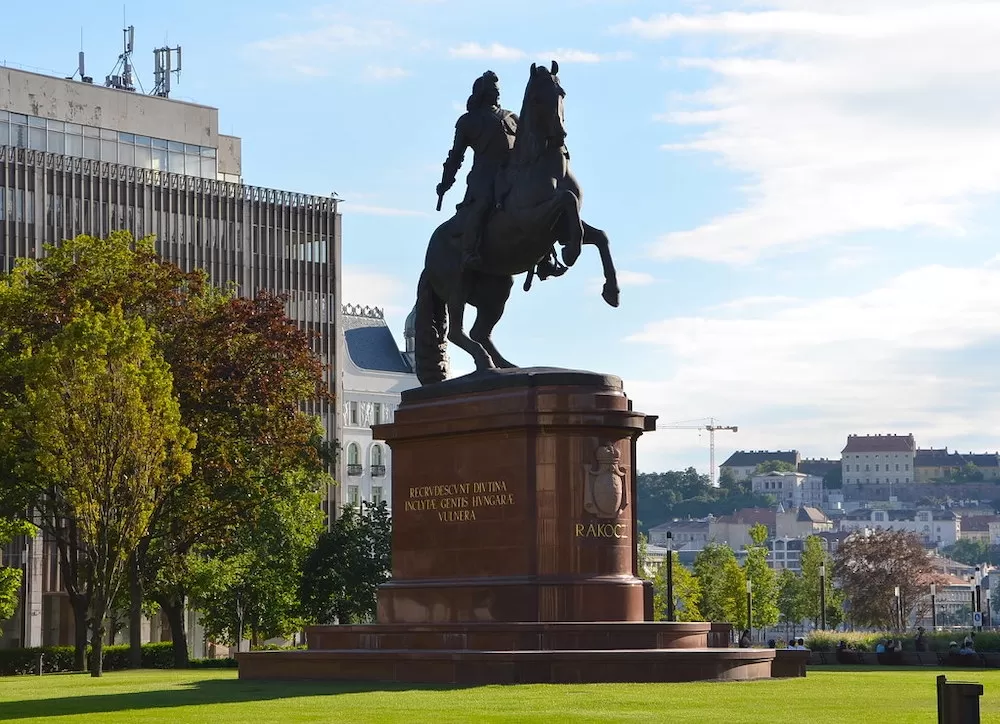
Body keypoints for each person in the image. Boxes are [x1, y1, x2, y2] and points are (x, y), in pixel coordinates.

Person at [436, 71, 518, 273]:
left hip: (512, 174)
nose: (496, 95)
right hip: (485, 176)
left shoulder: (512, 118)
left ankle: (546, 257)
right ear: (481, 93)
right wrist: (445, 183)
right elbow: (456, 157)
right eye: (492, 91)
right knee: (481, 205)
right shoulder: (467, 122)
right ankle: (469, 251)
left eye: (498, 91)